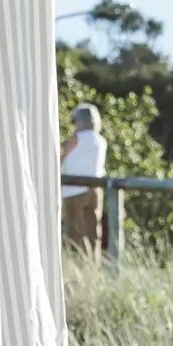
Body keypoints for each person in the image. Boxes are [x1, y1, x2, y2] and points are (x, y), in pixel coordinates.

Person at [61, 101, 108, 251]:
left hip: (73, 190)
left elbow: (62, 157)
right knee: (93, 230)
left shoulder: (76, 139)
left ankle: (78, 266)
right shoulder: (101, 141)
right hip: (95, 189)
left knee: (74, 232)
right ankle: (94, 264)